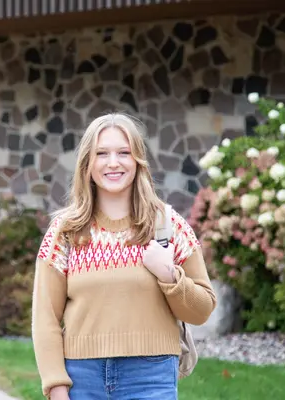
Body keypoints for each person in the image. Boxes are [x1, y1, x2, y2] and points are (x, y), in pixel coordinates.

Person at [31, 112, 218, 400]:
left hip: (151, 377)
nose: (113, 163)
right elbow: (45, 318)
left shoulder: (168, 224)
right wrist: (56, 386)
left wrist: (169, 276)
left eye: (124, 153)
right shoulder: (65, 231)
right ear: (87, 163)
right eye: (102, 153)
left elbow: (202, 310)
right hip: (82, 378)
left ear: (138, 161)